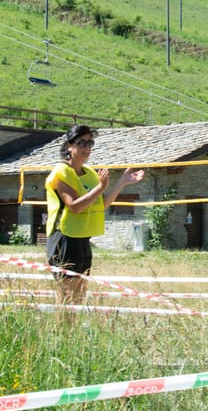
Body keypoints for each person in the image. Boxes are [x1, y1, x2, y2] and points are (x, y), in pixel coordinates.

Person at [45, 124, 144, 303]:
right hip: (64, 237)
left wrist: (121, 183)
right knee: (66, 296)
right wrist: (100, 188)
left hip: (83, 238)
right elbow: (74, 206)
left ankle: (72, 331)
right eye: (81, 143)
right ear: (69, 145)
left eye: (90, 143)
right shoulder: (61, 172)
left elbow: (102, 204)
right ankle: (62, 330)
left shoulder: (90, 173)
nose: (86, 148)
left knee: (79, 295)